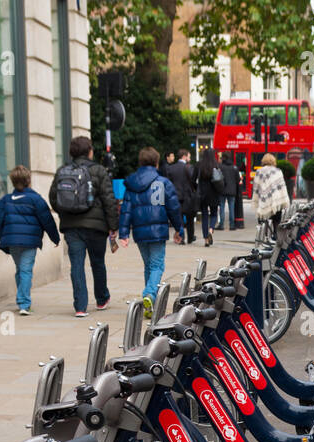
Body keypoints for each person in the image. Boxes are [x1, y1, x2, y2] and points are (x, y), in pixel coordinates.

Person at [49, 135, 119, 316]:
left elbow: (53, 197)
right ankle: (102, 299)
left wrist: (66, 212)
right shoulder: (98, 170)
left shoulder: (62, 170)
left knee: (76, 265)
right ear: (89, 151)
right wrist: (113, 225)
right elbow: (108, 199)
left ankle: (80, 306)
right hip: (96, 227)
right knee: (98, 262)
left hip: (72, 227)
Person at [117, 147, 184, 317]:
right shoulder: (162, 182)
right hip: (158, 230)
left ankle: (150, 304)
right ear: (156, 162)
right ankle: (149, 294)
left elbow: (126, 209)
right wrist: (179, 228)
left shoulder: (131, 184)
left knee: (149, 265)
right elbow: (173, 207)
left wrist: (124, 233)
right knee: (157, 265)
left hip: (139, 231)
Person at [0, 164, 60, 314]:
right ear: (29, 180)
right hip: (30, 242)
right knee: (25, 270)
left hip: (12, 242)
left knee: (21, 270)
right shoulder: (36, 199)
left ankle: (22, 299)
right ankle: (24, 303)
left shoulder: (6, 200)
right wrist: (55, 238)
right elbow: (47, 220)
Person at [252, 152, 289, 235]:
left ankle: (265, 237)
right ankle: (275, 236)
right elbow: (282, 188)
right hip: (276, 203)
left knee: (263, 222)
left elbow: (256, 188)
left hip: (263, 202)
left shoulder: (259, 172)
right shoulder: (278, 171)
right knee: (276, 222)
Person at [194, 145, 222, 245]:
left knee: (205, 216)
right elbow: (220, 180)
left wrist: (196, 188)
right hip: (214, 193)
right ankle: (211, 230)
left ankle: (206, 239)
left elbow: (193, 180)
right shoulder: (216, 165)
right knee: (214, 214)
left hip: (203, 194)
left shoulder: (199, 165)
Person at [217, 152, 241, 229]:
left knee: (222, 207)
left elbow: (217, 178)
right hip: (232, 190)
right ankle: (232, 225)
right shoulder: (234, 167)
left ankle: (221, 225)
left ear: (223, 158)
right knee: (231, 208)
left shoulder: (220, 167)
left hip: (222, 190)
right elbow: (238, 179)